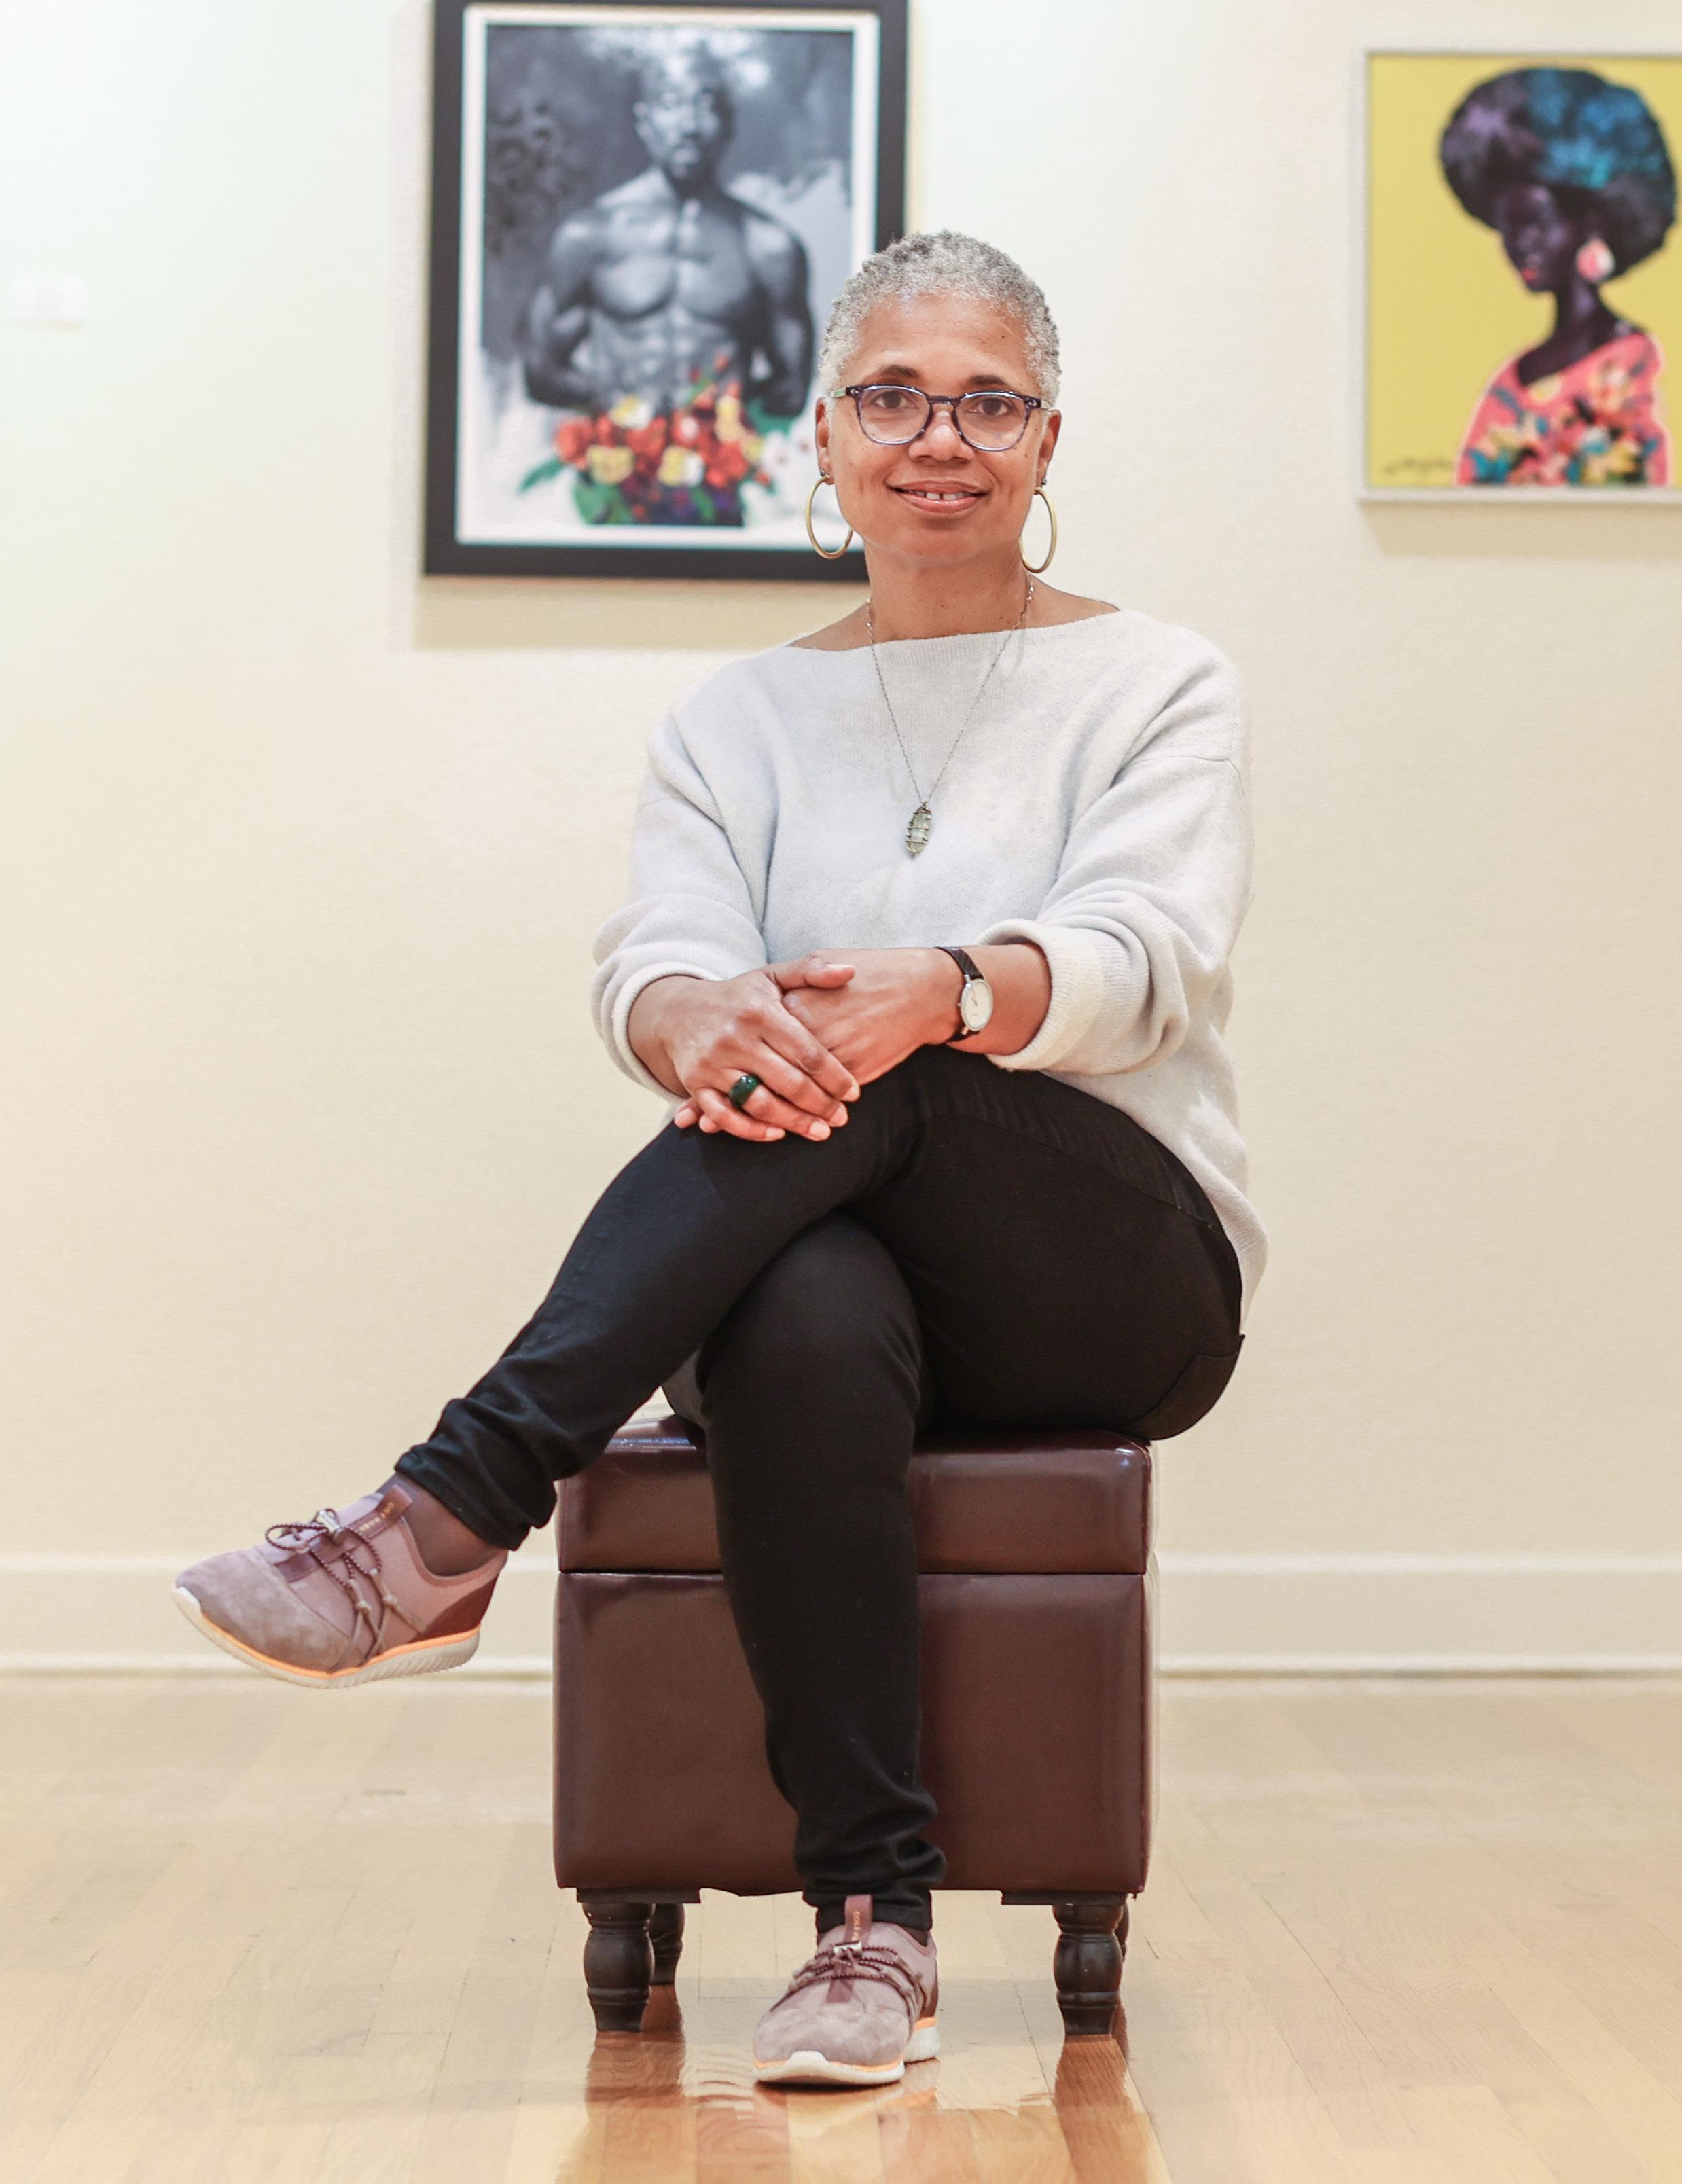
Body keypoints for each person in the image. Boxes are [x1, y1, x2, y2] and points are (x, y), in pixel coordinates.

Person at [174, 230, 1264, 2088]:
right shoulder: (734, 718)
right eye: (891, 396)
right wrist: (683, 1015)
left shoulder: (1156, 678)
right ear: (821, 435)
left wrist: (947, 989)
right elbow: (657, 954)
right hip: (824, 1250)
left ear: (1046, 439)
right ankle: (871, 1923)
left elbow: (1149, 958)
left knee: (882, 1057)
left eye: (986, 401)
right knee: (793, 1306)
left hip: (1108, 1267)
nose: (939, 436)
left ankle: (446, 1512)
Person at [520, 38, 813, 423]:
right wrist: (629, 417)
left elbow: (791, 390)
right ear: (644, 121)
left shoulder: (768, 247)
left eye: (706, 105)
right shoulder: (588, 236)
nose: (689, 125)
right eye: (672, 104)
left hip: (723, 458)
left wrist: (720, 421)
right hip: (615, 455)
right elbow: (541, 371)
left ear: (728, 123)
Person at [1440, 67, 1677, 487]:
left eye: (1537, 223)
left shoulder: (1640, 366)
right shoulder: (1513, 379)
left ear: (1591, 223)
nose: (1520, 244)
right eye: (1508, 228)